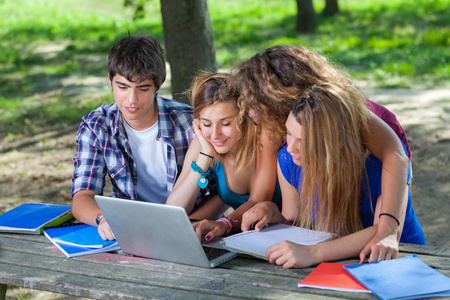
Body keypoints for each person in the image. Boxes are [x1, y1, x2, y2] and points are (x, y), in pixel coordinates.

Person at [234, 44, 414, 263]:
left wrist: (387, 231)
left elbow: (396, 155)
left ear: (284, 100)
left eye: (256, 102)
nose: (250, 112)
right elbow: (293, 215)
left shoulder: (352, 117)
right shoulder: (286, 141)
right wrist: (271, 212)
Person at [71, 34, 220, 240]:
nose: (131, 100)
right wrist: (103, 218)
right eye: (123, 87)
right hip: (129, 232)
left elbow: (219, 192)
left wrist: (188, 225)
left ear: (158, 85)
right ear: (110, 80)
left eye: (143, 88)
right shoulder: (97, 125)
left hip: (187, 226)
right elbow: (82, 196)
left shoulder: (189, 123)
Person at [166, 72, 282, 241]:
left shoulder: (264, 137)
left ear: (243, 117)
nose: (215, 135)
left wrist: (224, 224)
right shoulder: (204, 143)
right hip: (249, 242)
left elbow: (258, 200)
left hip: (290, 234)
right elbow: (174, 209)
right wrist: (205, 155)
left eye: (225, 123)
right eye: (206, 124)